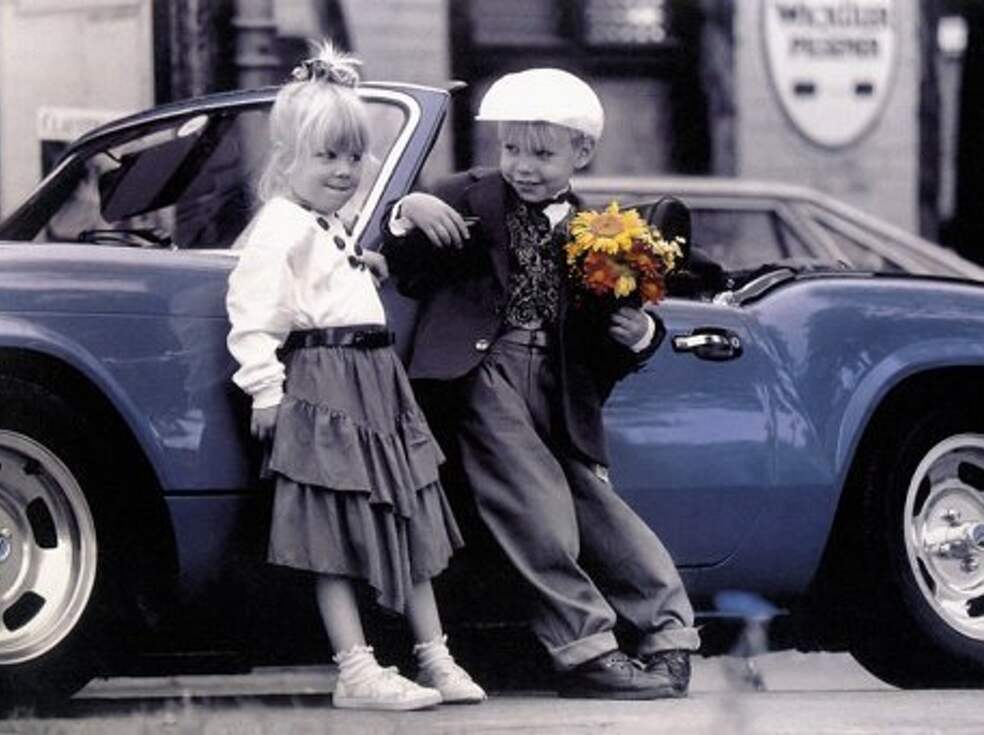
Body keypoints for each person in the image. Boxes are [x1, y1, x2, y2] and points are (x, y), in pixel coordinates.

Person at [382, 68, 700, 699]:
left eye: (542, 153)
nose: (522, 166)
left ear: (582, 153)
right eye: (510, 148)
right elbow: (406, 267)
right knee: (537, 506)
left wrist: (641, 334)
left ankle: (670, 636)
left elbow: (615, 327)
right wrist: (404, 210)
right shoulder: (461, 194)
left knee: (601, 511)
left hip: (558, 385)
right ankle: (586, 650)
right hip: (479, 374)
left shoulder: (600, 229)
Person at [225, 43, 485, 711]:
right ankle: (356, 668)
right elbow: (253, 309)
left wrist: (365, 264)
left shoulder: (328, 223)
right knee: (333, 527)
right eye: (327, 156)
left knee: (408, 512)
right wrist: (264, 388)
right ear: (287, 159)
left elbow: (330, 278)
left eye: (353, 156)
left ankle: (434, 654)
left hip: (375, 381)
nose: (344, 170)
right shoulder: (280, 225)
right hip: (326, 383)